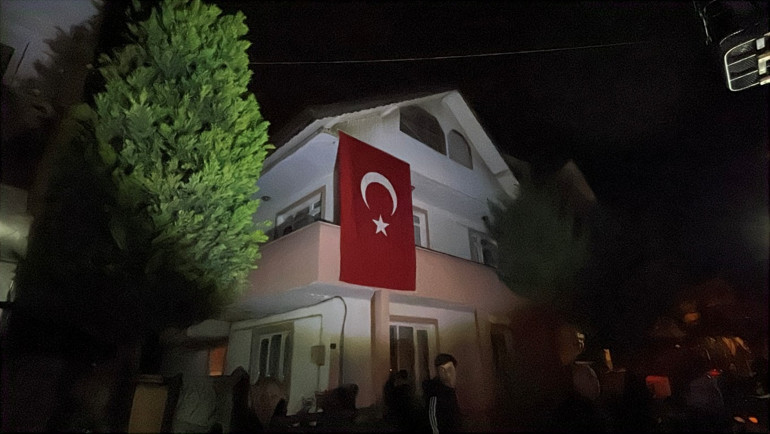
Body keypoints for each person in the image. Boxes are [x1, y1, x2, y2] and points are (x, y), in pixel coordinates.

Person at [422, 353, 462, 433]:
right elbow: (432, 418)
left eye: (450, 369)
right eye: (442, 370)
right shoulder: (434, 392)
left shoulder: (450, 390)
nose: (447, 374)